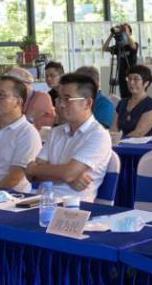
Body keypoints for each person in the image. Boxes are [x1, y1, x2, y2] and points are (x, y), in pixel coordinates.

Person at [24, 71, 114, 201]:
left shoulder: (98, 135)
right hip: (41, 202)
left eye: (67, 99)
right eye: (59, 99)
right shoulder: (56, 132)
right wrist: (67, 177)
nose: (61, 105)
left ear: (87, 103)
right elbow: (32, 176)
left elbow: (67, 173)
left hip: (73, 206)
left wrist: (35, 169)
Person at [113, 64, 152, 137]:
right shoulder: (122, 102)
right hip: (121, 141)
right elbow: (113, 128)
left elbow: (139, 133)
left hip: (142, 143)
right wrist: (113, 139)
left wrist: (120, 140)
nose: (131, 82)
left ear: (146, 83)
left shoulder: (151, 105)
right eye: (129, 79)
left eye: (136, 79)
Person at [102, 22, 138, 98]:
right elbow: (104, 48)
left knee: (133, 96)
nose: (122, 32)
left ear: (130, 33)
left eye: (124, 30)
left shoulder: (134, 44)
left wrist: (126, 33)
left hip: (132, 75)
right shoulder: (118, 47)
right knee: (124, 96)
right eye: (122, 30)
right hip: (121, 75)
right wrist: (111, 35)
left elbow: (133, 46)